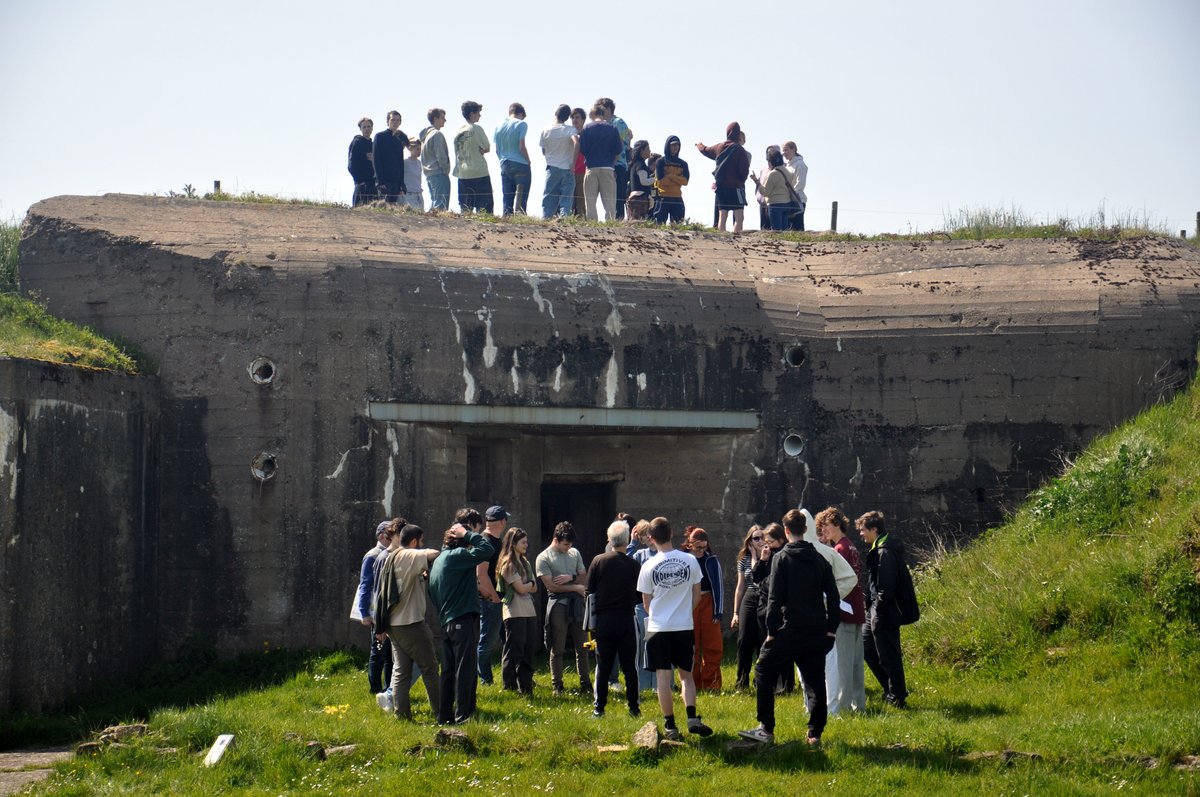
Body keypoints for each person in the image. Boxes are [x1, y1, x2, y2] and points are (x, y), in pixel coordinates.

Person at [738, 512, 839, 747]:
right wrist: (831, 629)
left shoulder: (781, 559)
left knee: (763, 671)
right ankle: (815, 734)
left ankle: (766, 728)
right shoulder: (819, 559)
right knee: (815, 681)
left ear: (785, 531)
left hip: (788, 628)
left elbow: (774, 597)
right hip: (816, 629)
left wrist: (771, 631)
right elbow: (833, 597)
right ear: (805, 530)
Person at [636, 517, 714, 742]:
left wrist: (659, 615)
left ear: (651, 539)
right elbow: (697, 594)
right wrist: (684, 612)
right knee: (686, 677)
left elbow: (646, 602)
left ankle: (670, 725)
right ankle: (691, 717)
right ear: (671, 534)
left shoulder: (648, 566)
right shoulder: (689, 560)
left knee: (663, 678)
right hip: (683, 626)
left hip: (658, 627)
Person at [427, 519, 494, 725]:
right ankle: (464, 715)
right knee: (465, 669)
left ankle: (444, 715)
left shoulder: (439, 561)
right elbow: (486, 550)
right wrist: (467, 534)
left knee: (448, 671)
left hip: (447, 621)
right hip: (462, 619)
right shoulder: (457, 556)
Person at [372, 523, 442, 721]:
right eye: (421, 541)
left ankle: (401, 715)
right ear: (413, 541)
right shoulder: (409, 555)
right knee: (429, 668)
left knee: (401, 671)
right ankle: (441, 713)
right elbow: (435, 554)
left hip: (393, 623)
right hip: (411, 623)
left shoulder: (391, 557)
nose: (422, 545)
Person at [585, 520, 642, 717]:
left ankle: (599, 708)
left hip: (604, 620)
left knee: (604, 666)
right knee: (629, 667)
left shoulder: (598, 561)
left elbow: (589, 591)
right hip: (626, 618)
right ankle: (634, 707)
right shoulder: (634, 565)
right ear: (627, 541)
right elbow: (639, 595)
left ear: (609, 539)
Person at [815, 507, 866, 714]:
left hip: (844, 610)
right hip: (856, 609)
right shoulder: (851, 545)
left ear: (836, 524)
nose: (824, 530)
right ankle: (858, 705)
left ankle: (844, 708)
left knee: (843, 664)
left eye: (825, 525)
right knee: (855, 664)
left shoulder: (839, 549)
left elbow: (839, 582)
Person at [859, 510, 909, 708]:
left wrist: (877, 609)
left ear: (874, 529)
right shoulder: (879, 548)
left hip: (883, 611)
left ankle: (897, 696)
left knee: (889, 654)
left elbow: (886, 587)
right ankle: (890, 690)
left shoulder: (885, 551)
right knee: (868, 648)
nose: (861, 534)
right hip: (875, 609)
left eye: (863, 530)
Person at [536, 521, 592, 696]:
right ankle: (557, 685)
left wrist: (572, 577)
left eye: (570, 544)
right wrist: (574, 587)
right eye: (566, 544)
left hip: (576, 604)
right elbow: (551, 587)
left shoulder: (574, 553)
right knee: (557, 648)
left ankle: (586, 684)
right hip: (558, 604)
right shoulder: (543, 558)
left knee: (582, 646)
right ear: (556, 540)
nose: (568, 547)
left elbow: (583, 577)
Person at [349, 520, 396, 697]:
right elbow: (365, 585)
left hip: (387, 611)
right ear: (383, 536)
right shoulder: (373, 555)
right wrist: (364, 613)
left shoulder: (390, 554)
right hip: (376, 612)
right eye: (391, 533)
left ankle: (388, 689)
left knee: (390, 653)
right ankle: (375, 689)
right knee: (378, 651)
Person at [496, 527, 538, 694]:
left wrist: (528, 585)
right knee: (515, 651)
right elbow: (521, 588)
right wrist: (529, 585)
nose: (526, 544)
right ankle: (510, 685)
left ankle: (526, 685)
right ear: (513, 544)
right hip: (514, 612)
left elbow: (534, 587)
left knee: (528, 650)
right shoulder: (508, 564)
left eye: (527, 541)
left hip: (529, 610)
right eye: (523, 542)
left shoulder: (525, 562)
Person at [683, 527, 723, 691]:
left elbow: (719, 586)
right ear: (689, 544)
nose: (701, 551)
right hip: (689, 603)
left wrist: (718, 611)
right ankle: (692, 684)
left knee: (712, 645)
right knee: (692, 646)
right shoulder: (683, 559)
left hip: (708, 603)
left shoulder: (712, 560)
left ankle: (711, 684)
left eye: (704, 547)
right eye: (698, 547)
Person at [695, 122, 750, 233]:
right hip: (736, 187)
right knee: (739, 216)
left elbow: (705, 150)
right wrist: (741, 180)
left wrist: (699, 145)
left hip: (721, 187)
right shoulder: (740, 150)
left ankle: (722, 238)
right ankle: (736, 237)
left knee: (722, 215)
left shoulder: (719, 147)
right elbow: (744, 171)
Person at [475, 505, 507, 686]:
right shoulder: (485, 541)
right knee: (487, 642)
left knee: (507, 639)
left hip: (500, 598)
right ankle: (485, 679)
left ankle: (512, 677)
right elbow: (480, 574)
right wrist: (494, 597)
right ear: (502, 521)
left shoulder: (497, 541)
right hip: (490, 599)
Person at [731, 524, 765, 691]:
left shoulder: (769, 557)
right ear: (750, 541)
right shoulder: (744, 559)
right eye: (755, 538)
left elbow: (756, 574)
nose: (759, 541)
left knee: (762, 639)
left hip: (764, 598)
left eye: (761, 537)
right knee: (744, 639)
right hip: (749, 597)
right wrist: (735, 613)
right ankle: (741, 682)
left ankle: (760, 681)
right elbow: (740, 586)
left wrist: (755, 556)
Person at [577, 104, 623, 222]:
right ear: (603, 114)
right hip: (607, 168)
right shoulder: (612, 128)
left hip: (591, 168)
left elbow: (583, 149)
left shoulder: (587, 128)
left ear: (593, 114)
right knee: (609, 202)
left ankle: (592, 224)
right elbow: (618, 151)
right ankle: (610, 223)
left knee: (590, 201)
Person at [453, 101, 493, 214]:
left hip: (462, 172)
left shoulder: (458, 131)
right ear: (472, 113)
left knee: (466, 208)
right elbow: (487, 147)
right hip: (478, 172)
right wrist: (483, 150)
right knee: (484, 207)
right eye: (478, 113)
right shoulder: (476, 128)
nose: (480, 115)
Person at [596, 98, 632, 220]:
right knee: (609, 196)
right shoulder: (604, 124)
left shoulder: (618, 122)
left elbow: (621, 145)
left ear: (609, 109)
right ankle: (611, 220)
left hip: (618, 165)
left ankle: (618, 221)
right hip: (608, 165)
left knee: (617, 196)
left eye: (601, 108)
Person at [540, 104, 576, 219]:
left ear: (555, 113)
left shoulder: (545, 130)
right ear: (567, 117)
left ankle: (546, 218)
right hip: (567, 167)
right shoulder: (571, 130)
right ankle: (564, 219)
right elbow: (577, 143)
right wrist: (573, 164)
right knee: (566, 197)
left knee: (549, 196)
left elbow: (544, 151)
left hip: (552, 167)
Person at [749, 146, 798, 231]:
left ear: (771, 161)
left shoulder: (772, 174)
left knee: (776, 231)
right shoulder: (787, 171)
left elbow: (765, 192)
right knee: (784, 230)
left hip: (775, 205)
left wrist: (757, 182)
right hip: (786, 204)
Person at [495, 103, 531, 215]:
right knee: (522, 198)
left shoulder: (498, 125)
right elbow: (521, 146)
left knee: (507, 196)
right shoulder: (521, 124)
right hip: (520, 164)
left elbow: (497, 150)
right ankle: (520, 218)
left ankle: (507, 218)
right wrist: (528, 160)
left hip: (505, 163)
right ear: (520, 113)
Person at [373, 110, 409, 204]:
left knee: (394, 212)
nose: (395, 122)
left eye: (397, 120)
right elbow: (376, 160)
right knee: (383, 210)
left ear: (400, 122)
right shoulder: (379, 136)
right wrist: (380, 182)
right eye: (393, 120)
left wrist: (401, 184)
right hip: (384, 183)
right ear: (388, 121)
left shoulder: (398, 141)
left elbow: (400, 164)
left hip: (395, 183)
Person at [419, 108, 451, 211]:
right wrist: (446, 170)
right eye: (442, 117)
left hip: (430, 174)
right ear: (435, 118)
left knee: (435, 203)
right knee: (441, 206)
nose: (445, 120)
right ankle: (439, 227)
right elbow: (441, 156)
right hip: (439, 174)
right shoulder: (436, 134)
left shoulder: (426, 135)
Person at [653, 136, 689, 224]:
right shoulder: (660, 161)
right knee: (659, 224)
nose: (675, 147)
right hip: (663, 197)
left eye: (677, 144)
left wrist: (670, 176)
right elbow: (660, 182)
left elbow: (685, 181)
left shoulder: (683, 164)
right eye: (673, 145)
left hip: (677, 197)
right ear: (668, 146)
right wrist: (677, 179)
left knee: (678, 224)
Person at [347, 117, 375, 207]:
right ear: (360, 129)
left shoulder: (374, 145)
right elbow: (351, 165)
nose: (367, 129)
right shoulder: (356, 142)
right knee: (359, 212)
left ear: (372, 128)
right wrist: (359, 180)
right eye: (364, 127)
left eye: (369, 126)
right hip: (361, 185)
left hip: (373, 184)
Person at [782, 141, 808, 231]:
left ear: (793, 149)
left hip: (798, 200)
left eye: (786, 150)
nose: (784, 153)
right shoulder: (787, 166)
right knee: (788, 228)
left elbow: (800, 184)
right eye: (783, 150)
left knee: (797, 228)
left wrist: (792, 195)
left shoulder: (800, 164)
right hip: (787, 200)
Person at [625, 140, 654, 221]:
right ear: (642, 150)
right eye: (648, 148)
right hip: (640, 199)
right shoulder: (640, 164)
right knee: (638, 223)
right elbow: (644, 181)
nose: (650, 151)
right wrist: (656, 179)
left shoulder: (635, 164)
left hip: (635, 199)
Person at [569, 107, 587, 216]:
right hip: (569, 170)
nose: (575, 120)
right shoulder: (568, 133)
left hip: (582, 171)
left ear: (583, 120)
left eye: (577, 117)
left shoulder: (587, 134)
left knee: (581, 200)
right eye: (573, 117)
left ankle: (582, 221)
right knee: (569, 200)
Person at [402, 140, 424, 211]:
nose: (419, 151)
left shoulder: (420, 163)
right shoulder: (405, 163)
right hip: (409, 194)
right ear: (411, 149)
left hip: (418, 193)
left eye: (420, 149)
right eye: (417, 149)